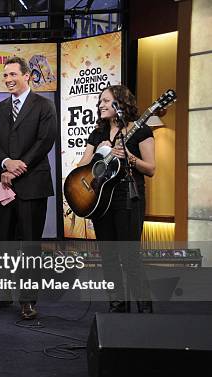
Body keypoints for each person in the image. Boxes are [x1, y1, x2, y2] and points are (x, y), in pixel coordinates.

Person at [0, 56, 57, 320]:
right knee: (1, 241)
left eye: (13, 74)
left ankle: (27, 300)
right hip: (2, 184)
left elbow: (45, 140)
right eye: (5, 75)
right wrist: (5, 162)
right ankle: (1, 295)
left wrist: (18, 166)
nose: (8, 79)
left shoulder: (44, 106)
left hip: (32, 184)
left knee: (29, 244)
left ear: (27, 76)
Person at [76, 85, 155, 313]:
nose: (100, 104)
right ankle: (117, 307)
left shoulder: (141, 131)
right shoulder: (98, 134)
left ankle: (145, 309)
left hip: (127, 197)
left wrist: (130, 158)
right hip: (102, 201)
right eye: (99, 101)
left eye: (105, 101)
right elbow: (81, 167)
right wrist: (99, 152)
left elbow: (150, 169)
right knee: (109, 256)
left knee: (129, 256)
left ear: (120, 104)